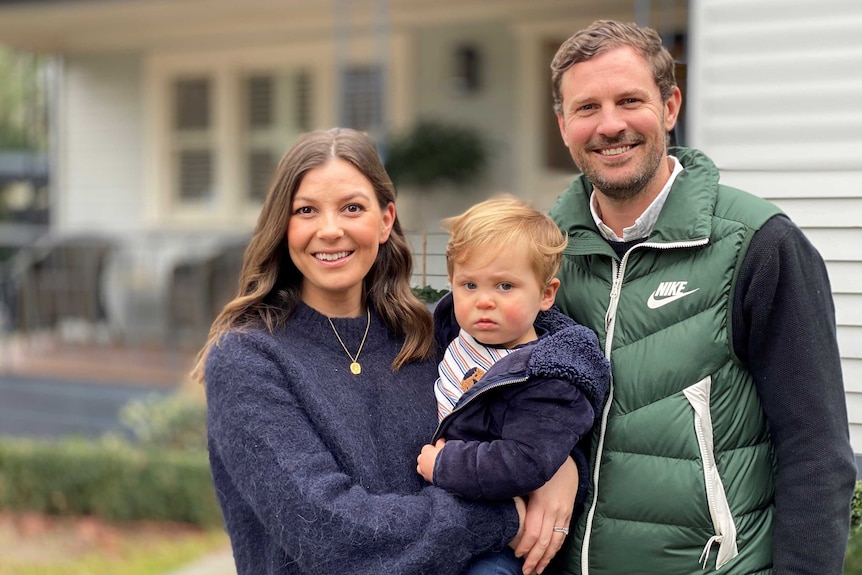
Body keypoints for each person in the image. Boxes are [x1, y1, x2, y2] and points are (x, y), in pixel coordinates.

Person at [542, 19, 856, 575]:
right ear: (564, 125)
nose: (610, 125)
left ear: (670, 107)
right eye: (587, 108)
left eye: (629, 100)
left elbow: (817, 453)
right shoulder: (542, 253)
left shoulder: (759, 244)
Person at [193, 127, 578, 575]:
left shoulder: (430, 337)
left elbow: (536, 388)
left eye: (352, 208)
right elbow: (332, 534)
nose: (331, 230)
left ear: (385, 219)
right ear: (284, 226)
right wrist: (502, 515)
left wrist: (561, 467)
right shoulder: (248, 360)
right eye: (306, 211)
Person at [416, 197, 610, 575]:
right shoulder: (453, 331)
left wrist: (444, 465)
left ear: (546, 294)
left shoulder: (550, 377)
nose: (484, 301)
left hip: (507, 540)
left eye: (505, 286)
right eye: (469, 284)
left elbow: (525, 461)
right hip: (446, 519)